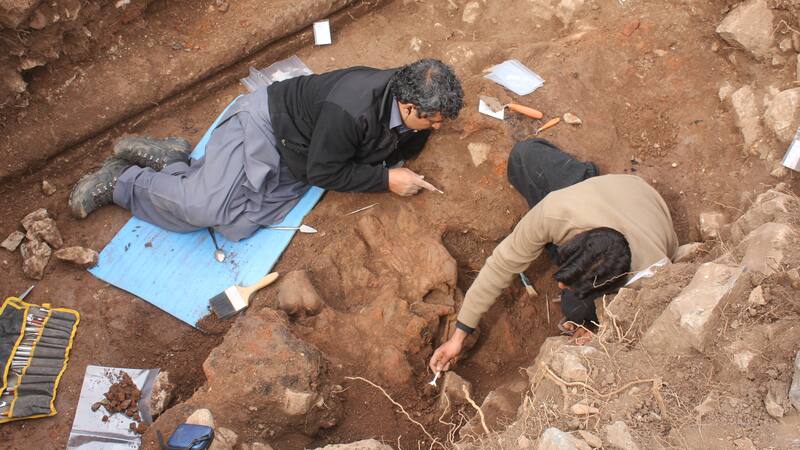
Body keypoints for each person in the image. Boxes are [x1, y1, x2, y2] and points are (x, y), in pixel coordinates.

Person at [68, 59, 464, 241]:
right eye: (432, 120)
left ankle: (173, 160)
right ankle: (122, 181)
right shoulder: (351, 108)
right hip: (268, 126)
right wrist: (385, 179)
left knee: (234, 226)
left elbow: (349, 157)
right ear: (408, 106)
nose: (437, 127)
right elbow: (324, 173)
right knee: (202, 209)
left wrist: (392, 164)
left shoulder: (412, 106)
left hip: (301, 154)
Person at [429, 139, 678, 373]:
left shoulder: (652, 274)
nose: (558, 285)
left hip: (644, 210)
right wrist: (459, 335)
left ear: (609, 285)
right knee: (524, 156)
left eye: (571, 283)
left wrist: (598, 330)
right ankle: (585, 177)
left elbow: (636, 328)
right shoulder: (555, 211)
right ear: (574, 241)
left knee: (575, 307)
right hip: (616, 190)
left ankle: (583, 307)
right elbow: (500, 265)